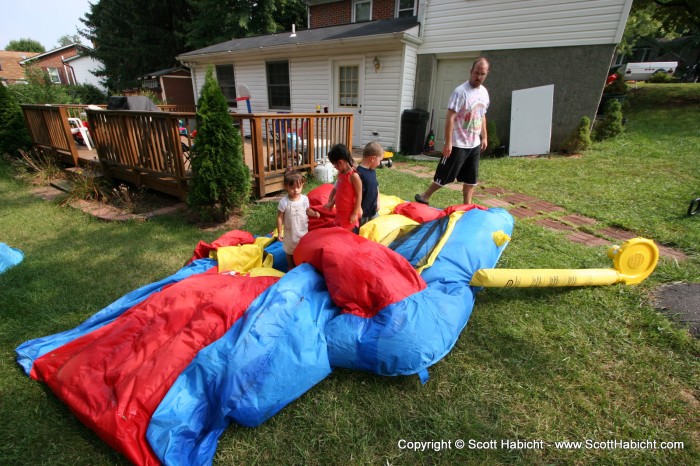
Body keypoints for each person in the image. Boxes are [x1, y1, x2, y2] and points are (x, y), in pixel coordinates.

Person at [415, 57, 490, 206]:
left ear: (486, 74)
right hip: (458, 143)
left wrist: (484, 137)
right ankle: (425, 196)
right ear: (471, 71)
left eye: (482, 74)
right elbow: (450, 118)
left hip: (473, 144)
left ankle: (466, 207)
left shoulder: (484, 92)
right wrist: (448, 143)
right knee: (444, 176)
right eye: (476, 73)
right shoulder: (460, 92)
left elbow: (482, 115)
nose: (478, 77)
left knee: (471, 179)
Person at [277, 170, 320, 269]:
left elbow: (307, 210)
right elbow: (280, 217)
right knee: (289, 250)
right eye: (292, 188)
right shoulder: (284, 202)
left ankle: (302, 264)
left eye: (298, 187)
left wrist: (314, 213)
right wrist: (280, 232)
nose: (296, 190)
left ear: (302, 185)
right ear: (286, 186)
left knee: (303, 247)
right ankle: (290, 266)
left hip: (302, 230)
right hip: (290, 232)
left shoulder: (304, 199)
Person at [324, 144, 362, 231]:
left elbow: (359, 195)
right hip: (340, 212)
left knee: (347, 236)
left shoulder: (354, 176)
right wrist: (332, 202)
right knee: (340, 233)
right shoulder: (341, 174)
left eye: (335, 165)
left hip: (349, 214)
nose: (335, 168)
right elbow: (339, 192)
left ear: (340, 162)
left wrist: (355, 213)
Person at [357, 141, 383, 227]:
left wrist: (378, 201)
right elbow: (355, 194)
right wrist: (358, 208)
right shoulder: (359, 173)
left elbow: (376, 186)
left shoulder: (372, 170)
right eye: (380, 160)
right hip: (362, 215)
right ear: (373, 159)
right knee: (361, 234)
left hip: (373, 211)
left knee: (378, 228)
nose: (379, 164)